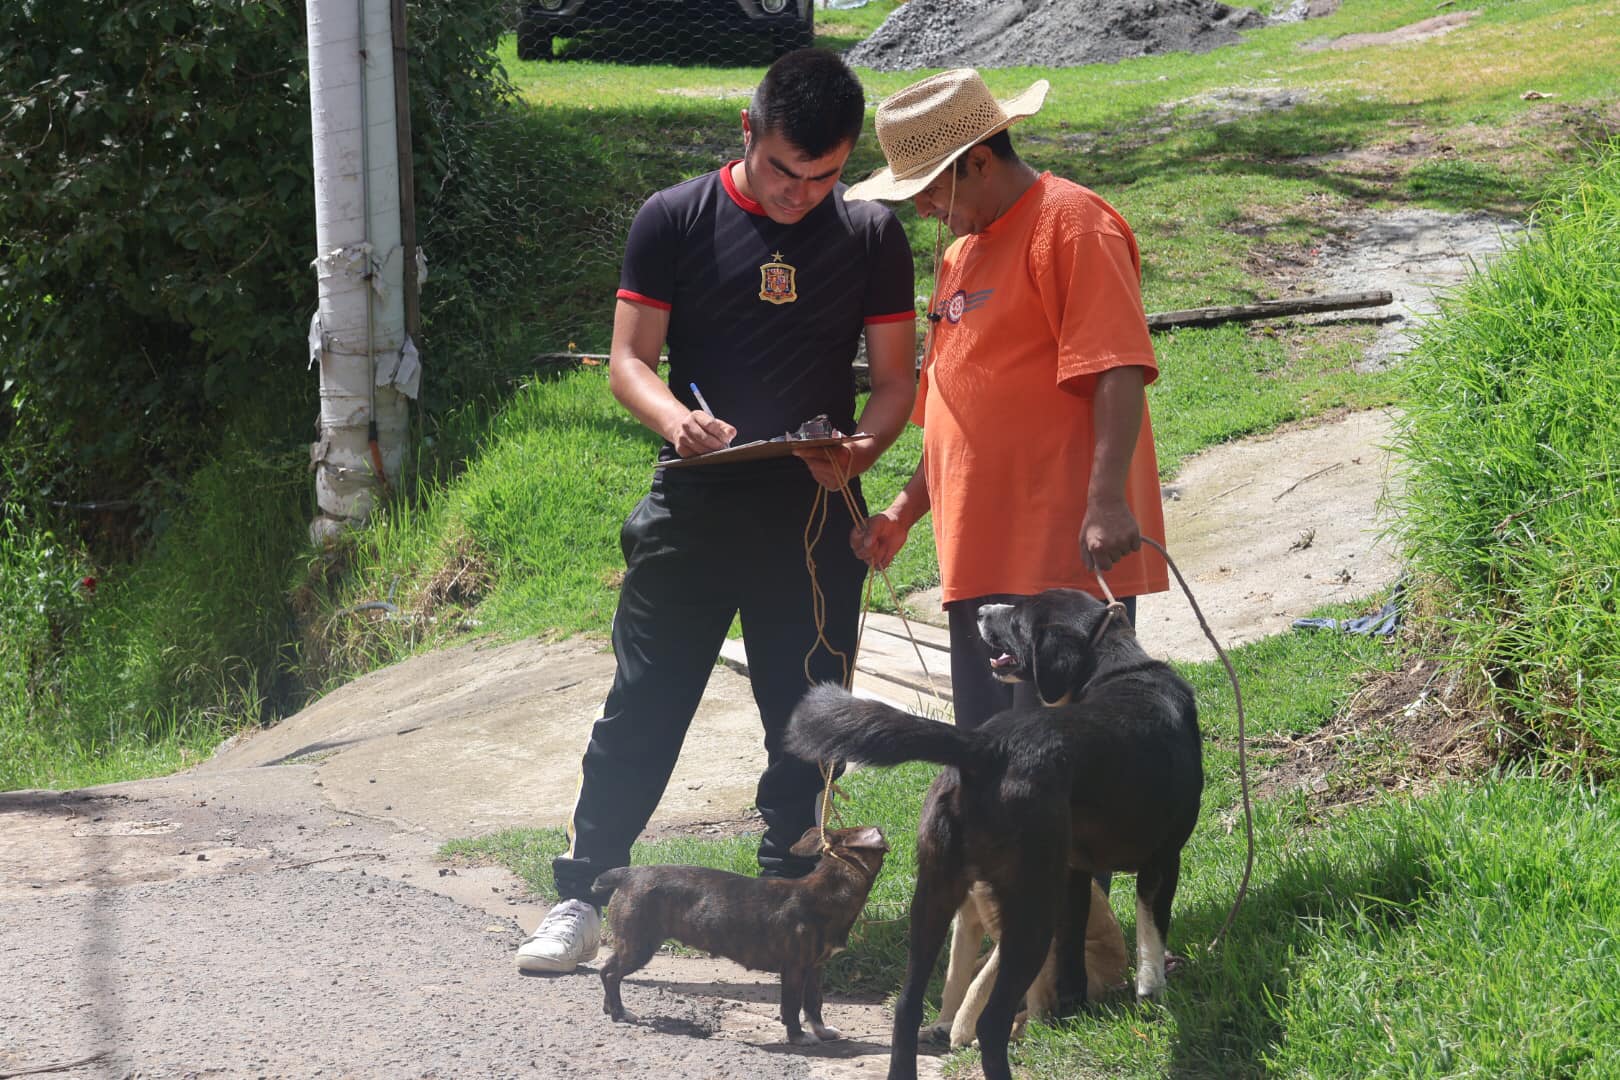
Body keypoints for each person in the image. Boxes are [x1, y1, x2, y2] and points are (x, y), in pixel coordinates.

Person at [516, 49, 918, 974]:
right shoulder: (675, 218)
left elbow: (897, 383)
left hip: (812, 516)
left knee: (811, 719)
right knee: (643, 708)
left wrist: (861, 451)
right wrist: (674, 418)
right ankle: (583, 896)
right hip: (691, 505)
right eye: (783, 170)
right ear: (747, 133)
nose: (800, 194)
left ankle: (794, 909)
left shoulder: (868, 236)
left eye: (824, 176)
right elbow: (628, 361)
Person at [843, 67, 1169, 733]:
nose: (921, 209)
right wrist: (905, 511)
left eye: (927, 190)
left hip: (1063, 565)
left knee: (1067, 768)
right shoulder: (961, 254)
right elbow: (956, 413)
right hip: (978, 562)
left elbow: (1117, 368)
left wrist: (1107, 500)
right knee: (993, 767)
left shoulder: (1073, 224)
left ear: (979, 163)